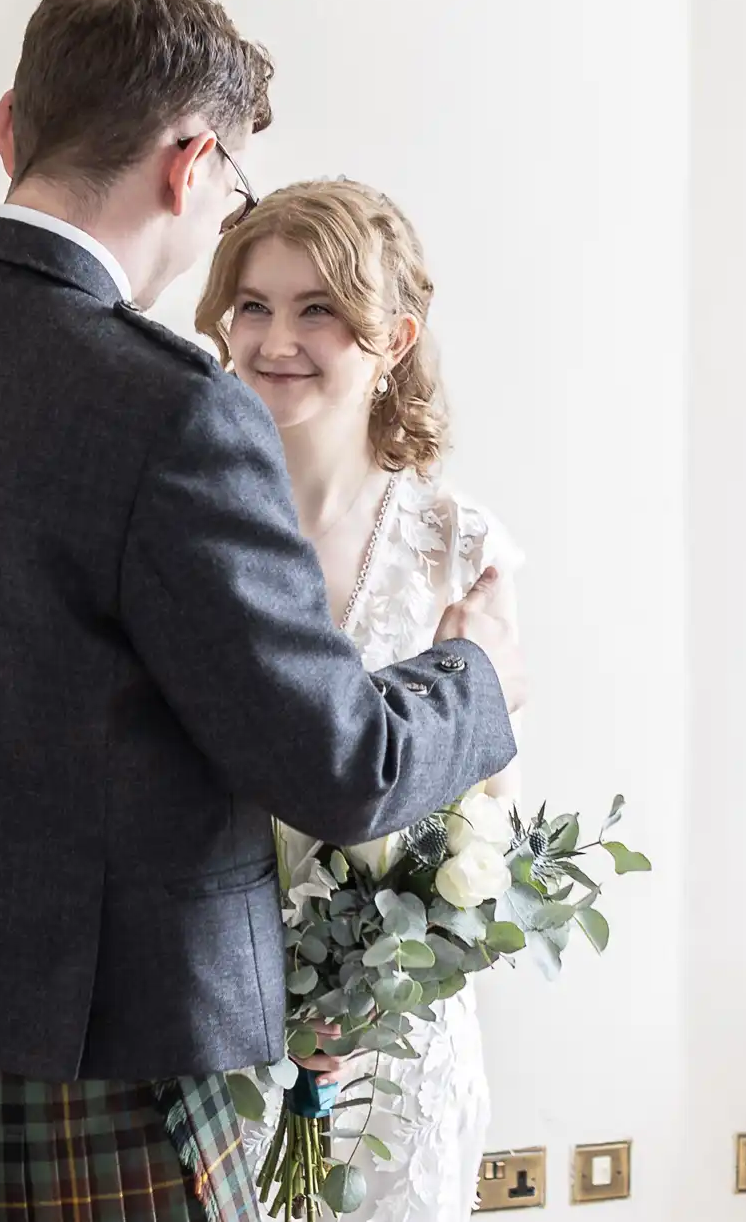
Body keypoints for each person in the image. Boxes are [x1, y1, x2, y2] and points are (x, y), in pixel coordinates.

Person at [0, 0, 526, 1222]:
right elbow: (339, 764)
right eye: (230, 186)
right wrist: (476, 668)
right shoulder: (168, 404)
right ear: (189, 161)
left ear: (10, 127)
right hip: (103, 1075)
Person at [194, 180, 526, 1222]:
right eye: (251, 304)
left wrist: (361, 990)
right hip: (215, 1026)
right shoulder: (183, 529)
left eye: (317, 308)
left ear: (393, 337)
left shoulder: (457, 548)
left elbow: (490, 815)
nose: (275, 337)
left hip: (398, 1047)